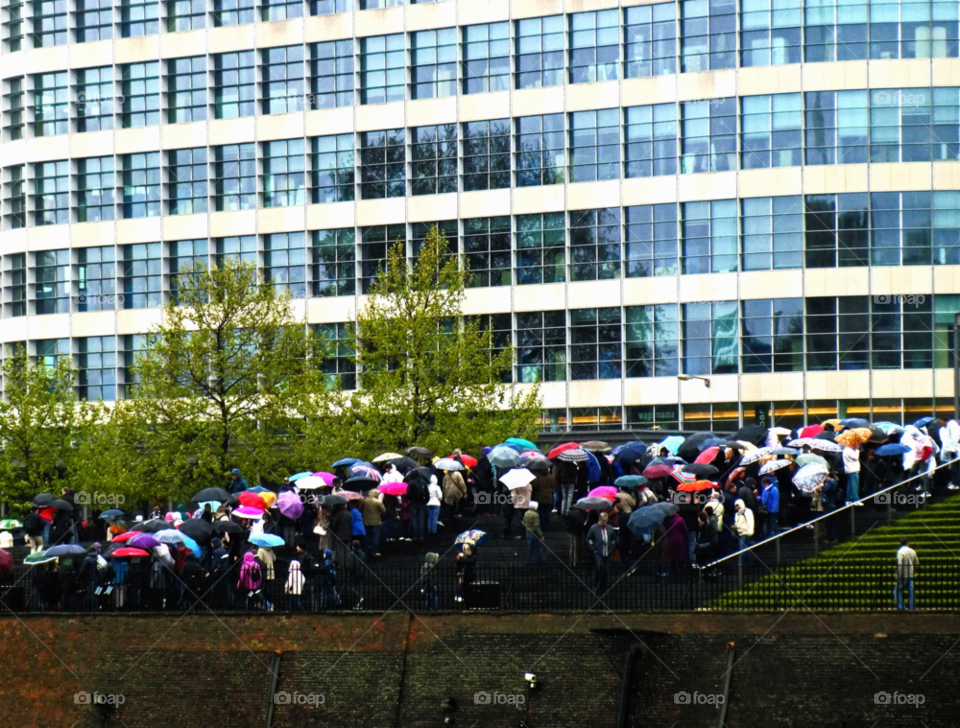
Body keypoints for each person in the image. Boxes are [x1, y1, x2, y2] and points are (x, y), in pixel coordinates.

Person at [586, 512, 618, 594]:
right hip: (598, 552)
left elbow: (613, 539)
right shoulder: (593, 528)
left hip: (608, 553)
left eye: (605, 521)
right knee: (599, 568)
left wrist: (612, 547)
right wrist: (593, 549)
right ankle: (595, 585)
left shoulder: (610, 528)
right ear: (599, 520)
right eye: (603, 521)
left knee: (606, 570)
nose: (604, 523)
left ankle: (604, 586)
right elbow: (589, 539)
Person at [895, 537, 919, 611]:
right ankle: (912, 608)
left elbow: (899, 564)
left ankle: (902, 607)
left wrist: (899, 576)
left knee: (897, 591)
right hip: (911, 574)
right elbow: (917, 563)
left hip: (903, 575)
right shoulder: (913, 551)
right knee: (911, 592)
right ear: (907, 543)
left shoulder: (900, 552)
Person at [361, 489, 385, 558]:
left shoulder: (364, 501)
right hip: (376, 522)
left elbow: (361, 509)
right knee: (375, 537)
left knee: (367, 537)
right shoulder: (378, 502)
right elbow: (383, 510)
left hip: (366, 521)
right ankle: (374, 551)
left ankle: (366, 551)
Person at [819, 472, 840, 544]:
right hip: (828, 504)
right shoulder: (831, 482)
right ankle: (830, 538)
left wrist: (821, 486)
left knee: (829, 522)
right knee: (828, 522)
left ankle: (832, 538)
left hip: (829, 504)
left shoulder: (830, 482)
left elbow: (825, 489)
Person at [733, 499, 755, 565]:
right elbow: (737, 523)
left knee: (742, 547)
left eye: (738, 505)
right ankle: (748, 563)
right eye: (736, 506)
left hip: (745, 532)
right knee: (744, 548)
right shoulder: (737, 514)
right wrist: (735, 526)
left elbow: (750, 521)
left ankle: (745, 562)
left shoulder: (747, 511)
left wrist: (750, 531)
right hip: (740, 533)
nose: (737, 507)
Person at [522, 500, 544, 565]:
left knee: (529, 548)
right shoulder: (535, 515)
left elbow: (523, 524)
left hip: (528, 533)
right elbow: (536, 526)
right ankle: (538, 561)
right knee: (537, 548)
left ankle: (529, 561)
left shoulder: (526, 513)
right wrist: (541, 535)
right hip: (534, 533)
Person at [940, 418, 960, 490]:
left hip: (953, 450)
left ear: (946, 421)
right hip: (946, 451)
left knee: (953, 468)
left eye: (942, 422)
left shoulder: (953, 426)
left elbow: (955, 438)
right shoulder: (942, 430)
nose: (941, 424)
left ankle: (955, 483)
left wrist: (953, 449)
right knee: (945, 467)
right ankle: (952, 481)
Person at [346, 539, 366, 609]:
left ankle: (359, 598)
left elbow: (351, 564)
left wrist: (350, 569)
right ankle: (359, 605)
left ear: (352, 546)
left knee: (351, 587)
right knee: (360, 588)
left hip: (354, 572)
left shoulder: (351, 554)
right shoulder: (363, 553)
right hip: (361, 572)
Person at [256, 545, 275, 611]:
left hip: (264, 572)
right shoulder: (271, 549)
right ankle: (271, 604)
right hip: (271, 572)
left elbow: (260, 561)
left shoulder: (260, 550)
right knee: (270, 590)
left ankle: (263, 604)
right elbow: (274, 558)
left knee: (263, 590)